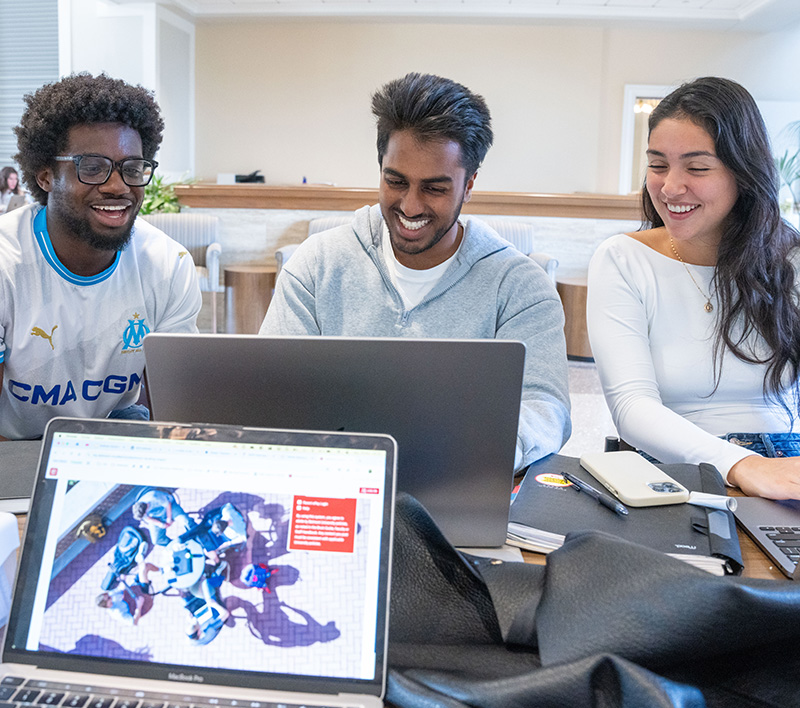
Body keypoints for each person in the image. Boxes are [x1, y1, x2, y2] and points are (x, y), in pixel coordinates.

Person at [261, 72, 570, 470]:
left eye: (435, 188)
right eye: (396, 181)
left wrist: (473, 454)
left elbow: (546, 408)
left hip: (462, 484)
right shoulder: (317, 264)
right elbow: (274, 390)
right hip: (331, 480)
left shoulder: (520, 287)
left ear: (469, 184)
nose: (409, 206)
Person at [587, 76, 800, 501]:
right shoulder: (622, 259)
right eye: (658, 164)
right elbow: (633, 408)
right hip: (671, 468)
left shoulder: (789, 258)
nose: (670, 187)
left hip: (783, 464)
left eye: (697, 167)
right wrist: (741, 465)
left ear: (744, 172)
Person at [0, 72, 202, 440]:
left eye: (132, 168)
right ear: (45, 176)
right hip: (15, 456)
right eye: (92, 167)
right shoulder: (6, 265)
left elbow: (173, 421)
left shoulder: (168, 266)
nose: (118, 186)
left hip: (113, 451)